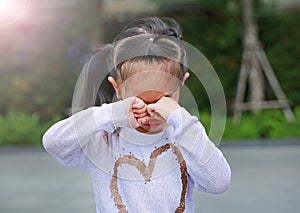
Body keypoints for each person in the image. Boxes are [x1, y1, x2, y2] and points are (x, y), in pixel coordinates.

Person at [43, 17, 231, 213]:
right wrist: (112, 113)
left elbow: (218, 182)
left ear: (181, 84)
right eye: (139, 99)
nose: (152, 110)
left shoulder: (186, 136)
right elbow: (54, 143)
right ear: (118, 88)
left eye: (164, 98)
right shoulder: (105, 139)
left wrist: (180, 119)